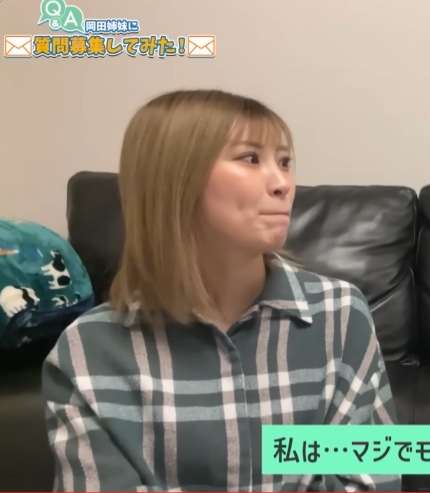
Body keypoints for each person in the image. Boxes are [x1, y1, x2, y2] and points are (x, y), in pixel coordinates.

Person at [42, 90, 400, 491]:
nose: (283, 183)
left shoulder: (340, 315)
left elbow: (371, 478)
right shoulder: (88, 351)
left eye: (285, 162)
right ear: (174, 179)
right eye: (251, 158)